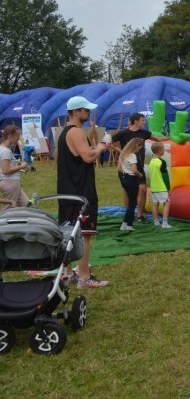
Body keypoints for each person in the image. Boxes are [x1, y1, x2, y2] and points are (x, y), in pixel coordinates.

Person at [57, 95, 111, 289]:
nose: (88, 113)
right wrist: (101, 146)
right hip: (81, 192)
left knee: (67, 234)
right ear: (76, 111)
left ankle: (70, 273)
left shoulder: (64, 132)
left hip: (67, 190)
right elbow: (88, 157)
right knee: (84, 236)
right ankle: (84, 277)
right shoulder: (77, 132)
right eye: (86, 110)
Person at [111, 113, 162, 222]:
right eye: (142, 120)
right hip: (125, 168)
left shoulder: (144, 133)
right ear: (135, 121)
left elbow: (156, 138)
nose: (144, 122)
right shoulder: (123, 134)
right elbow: (109, 142)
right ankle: (129, 214)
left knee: (143, 189)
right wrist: (121, 152)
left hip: (139, 167)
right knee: (127, 191)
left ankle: (140, 215)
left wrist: (169, 138)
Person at [117, 137, 145, 231]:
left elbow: (120, 168)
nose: (139, 149)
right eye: (140, 147)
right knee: (133, 203)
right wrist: (140, 175)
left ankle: (125, 224)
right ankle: (129, 225)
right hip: (132, 179)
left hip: (125, 178)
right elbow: (134, 170)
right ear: (136, 145)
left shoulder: (124, 154)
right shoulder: (132, 155)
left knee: (131, 203)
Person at [0, 125, 30, 206]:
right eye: (18, 135)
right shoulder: (6, 151)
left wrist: (16, 163)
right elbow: (6, 170)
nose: (19, 138)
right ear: (10, 136)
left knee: (26, 204)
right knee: (9, 210)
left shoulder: (2, 148)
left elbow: (3, 166)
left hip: (11, 182)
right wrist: (21, 166)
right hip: (10, 183)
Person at [148, 142, 172, 228]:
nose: (164, 150)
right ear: (159, 151)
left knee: (155, 204)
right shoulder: (162, 162)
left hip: (154, 187)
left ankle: (156, 221)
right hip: (161, 187)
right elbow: (165, 176)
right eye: (163, 149)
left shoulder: (151, 161)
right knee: (167, 203)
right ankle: (165, 223)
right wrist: (168, 188)